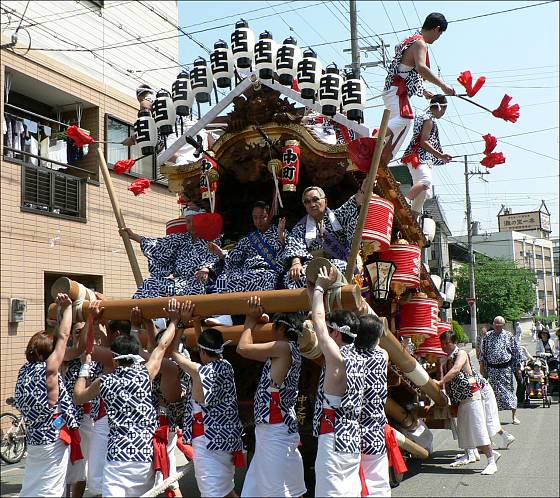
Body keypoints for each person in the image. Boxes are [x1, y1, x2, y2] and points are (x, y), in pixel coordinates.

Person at [74, 298, 183, 497]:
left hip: (117, 457)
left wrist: (85, 366)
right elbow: (161, 347)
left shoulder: (104, 381)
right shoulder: (145, 374)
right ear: (136, 356)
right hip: (144, 458)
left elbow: (79, 397)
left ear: (114, 360)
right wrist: (175, 321)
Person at [237, 299, 306, 497]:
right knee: (259, 488)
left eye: (273, 326)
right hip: (276, 426)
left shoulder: (283, 347)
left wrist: (250, 321)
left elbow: (242, 348)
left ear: (281, 328)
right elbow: (249, 351)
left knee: (276, 490)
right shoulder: (288, 350)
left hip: (274, 427)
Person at [15, 294, 80, 497]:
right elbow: (64, 337)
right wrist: (68, 308)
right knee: (51, 488)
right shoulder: (49, 370)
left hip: (34, 438)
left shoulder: (24, 371)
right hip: (52, 439)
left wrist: (59, 313)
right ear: (47, 354)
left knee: (33, 483)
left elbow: (57, 339)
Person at [309, 266, 365, 496]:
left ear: (336, 333)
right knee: (349, 491)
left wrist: (319, 288)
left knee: (330, 492)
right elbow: (322, 323)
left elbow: (318, 321)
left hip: (332, 435)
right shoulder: (360, 357)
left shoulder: (337, 357)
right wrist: (313, 292)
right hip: (351, 437)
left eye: (331, 330)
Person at [171, 323, 244, 498]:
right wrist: (197, 325)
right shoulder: (226, 365)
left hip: (207, 441)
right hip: (225, 438)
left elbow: (173, 352)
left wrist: (180, 325)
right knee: (226, 490)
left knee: (213, 493)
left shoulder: (198, 371)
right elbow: (205, 352)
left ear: (203, 352)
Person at [382, 12, 455, 158]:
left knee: (401, 127)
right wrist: (443, 85)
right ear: (436, 29)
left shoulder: (411, 39)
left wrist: (423, 91)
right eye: (440, 34)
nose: (438, 38)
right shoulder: (420, 43)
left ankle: (382, 156)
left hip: (395, 90)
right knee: (405, 119)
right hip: (397, 91)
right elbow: (421, 68)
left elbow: (407, 71)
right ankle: (374, 140)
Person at [123, 205, 220, 298]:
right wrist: (134, 236)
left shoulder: (212, 238)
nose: (191, 225)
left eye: (193, 221)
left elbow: (217, 258)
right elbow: (159, 244)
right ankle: (135, 308)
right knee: (150, 284)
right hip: (179, 282)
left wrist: (206, 269)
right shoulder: (181, 238)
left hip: (199, 283)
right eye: (188, 222)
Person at [437, 331, 498, 475]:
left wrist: (440, 382)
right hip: (461, 398)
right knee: (464, 430)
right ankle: (468, 454)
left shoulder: (461, 353)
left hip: (472, 396)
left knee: (478, 429)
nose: (444, 346)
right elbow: (444, 373)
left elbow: (456, 369)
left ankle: (491, 461)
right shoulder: (447, 358)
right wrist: (441, 366)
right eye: (442, 344)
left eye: (447, 343)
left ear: (455, 342)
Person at [283, 186, 366, 288]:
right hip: (312, 265)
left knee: (343, 269)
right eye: (307, 202)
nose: (312, 204)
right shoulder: (300, 227)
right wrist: (296, 263)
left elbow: (354, 202)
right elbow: (294, 244)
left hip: (338, 263)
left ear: (325, 201)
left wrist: (364, 188)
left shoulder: (337, 216)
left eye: (315, 199)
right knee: (292, 277)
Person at [210, 201, 287, 292]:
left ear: (269, 216)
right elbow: (235, 256)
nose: (258, 221)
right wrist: (221, 253)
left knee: (260, 277)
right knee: (222, 279)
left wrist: (281, 238)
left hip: (266, 271)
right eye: (255, 218)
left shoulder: (280, 233)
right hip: (246, 270)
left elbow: (286, 252)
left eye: (262, 217)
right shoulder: (248, 238)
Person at [354, 314, 391, 498]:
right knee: (377, 482)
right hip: (374, 429)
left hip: (350, 431)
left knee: (353, 482)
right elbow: (378, 346)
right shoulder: (382, 356)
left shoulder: (347, 357)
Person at [402, 95, 452, 214]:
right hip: (418, 157)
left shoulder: (424, 117)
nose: (443, 113)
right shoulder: (428, 120)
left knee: (424, 192)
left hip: (418, 157)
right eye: (444, 109)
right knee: (426, 181)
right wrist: (440, 155)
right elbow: (423, 142)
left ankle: (413, 218)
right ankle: (404, 202)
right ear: (439, 107)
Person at [479, 316, 523, 425]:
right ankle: (495, 418)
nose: (497, 325)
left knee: (510, 393)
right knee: (493, 395)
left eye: (500, 324)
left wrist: (518, 368)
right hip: (492, 370)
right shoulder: (487, 336)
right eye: (496, 323)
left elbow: (516, 352)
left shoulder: (509, 335)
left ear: (503, 325)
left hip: (506, 370)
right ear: (493, 324)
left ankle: (514, 416)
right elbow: (483, 353)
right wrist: (482, 367)